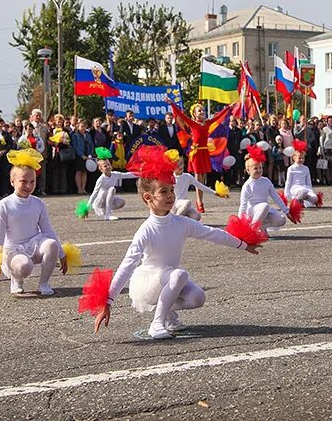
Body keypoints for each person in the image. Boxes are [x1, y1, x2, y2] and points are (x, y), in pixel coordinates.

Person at [93, 145, 259, 339]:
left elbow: (211, 233)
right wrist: (108, 301)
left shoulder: (181, 223)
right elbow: (127, 265)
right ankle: (157, 323)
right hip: (151, 281)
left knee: (198, 297)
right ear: (148, 198)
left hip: (170, 278)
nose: (171, 195)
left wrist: (243, 244)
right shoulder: (146, 230)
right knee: (179, 274)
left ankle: (167, 314)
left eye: (171, 189)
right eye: (164, 191)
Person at [0, 148, 66, 296]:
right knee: (25, 265)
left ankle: (43, 284)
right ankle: (16, 280)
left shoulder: (38, 203)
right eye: (23, 181)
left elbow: (48, 231)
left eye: (32, 181)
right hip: (14, 250)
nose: (28, 186)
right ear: (12, 181)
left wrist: (62, 254)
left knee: (51, 244)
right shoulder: (4, 205)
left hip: (34, 244)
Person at [169, 101, 231, 214]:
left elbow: (218, 117)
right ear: (194, 114)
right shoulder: (192, 123)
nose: (202, 112)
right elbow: (181, 115)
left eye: (203, 110)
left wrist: (227, 109)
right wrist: (172, 104)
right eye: (199, 110)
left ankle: (200, 201)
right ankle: (199, 202)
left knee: (203, 177)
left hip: (204, 151)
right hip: (196, 152)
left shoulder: (207, 123)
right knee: (198, 177)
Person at [238, 145, 291, 236]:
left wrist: (286, 211)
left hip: (264, 210)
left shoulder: (266, 181)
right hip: (252, 213)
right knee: (264, 206)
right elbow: (243, 206)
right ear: (248, 170)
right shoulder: (247, 186)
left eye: (260, 168)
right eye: (255, 168)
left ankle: (262, 226)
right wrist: (239, 223)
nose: (259, 170)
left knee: (281, 218)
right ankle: (252, 229)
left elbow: (276, 198)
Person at [87, 148, 137, 221]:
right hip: (100, 201)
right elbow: (95, 193)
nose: (107, 167)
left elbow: (127, 175)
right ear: (100, 169)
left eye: (108, 165)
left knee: (121, 202)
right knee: (112, 189)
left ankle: (107, 209)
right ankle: (107, 214)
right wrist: (87, 208)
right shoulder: (101, 179)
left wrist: (141, 174)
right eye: (105, 166)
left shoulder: (115, 174)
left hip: (108, 198)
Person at [171, 154, 223, 220]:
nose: (180, 166)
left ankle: (181, 220)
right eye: (177, 165)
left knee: (197, 216)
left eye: (181, 164)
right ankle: (175, 220)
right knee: (187, 202)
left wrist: (215, 193)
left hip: (184, 204)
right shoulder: (171, 177)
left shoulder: (187, 176)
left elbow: (201, 186)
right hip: (175, 203)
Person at [285, 140, 322, 208]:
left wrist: (310, 191)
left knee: (315, 198)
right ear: (294, 158)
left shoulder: (306, 168)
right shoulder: (291, 169)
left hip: (305, 188)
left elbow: (308, 182)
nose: (301, 160)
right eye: (299, 158)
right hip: (295, 189)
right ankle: (295, 201)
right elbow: (288, 182)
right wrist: (287, 194)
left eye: (303, 158)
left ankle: (301, 201)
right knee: (302, 193)